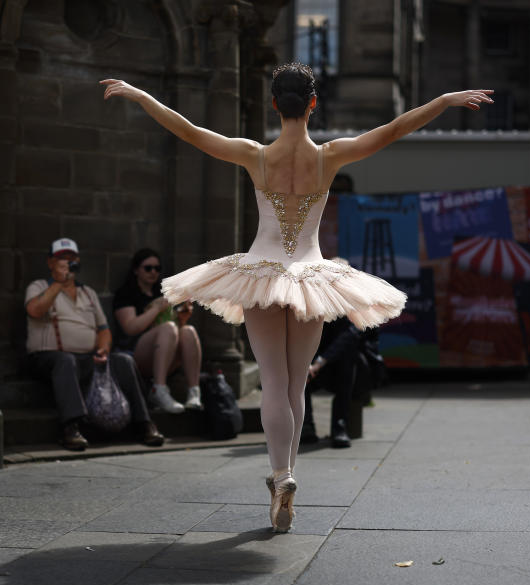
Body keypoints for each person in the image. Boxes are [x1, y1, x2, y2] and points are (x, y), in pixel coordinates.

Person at [100, 64, 492, 532]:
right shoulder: (330, 157)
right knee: (295, 384)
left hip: (260, 275)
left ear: (273, 105)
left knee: (271, 380)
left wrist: (142, 95)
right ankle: (288, 475)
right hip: (311, 276)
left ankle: (281, 475)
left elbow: (188, 130)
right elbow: (394, 128)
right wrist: (445, 99)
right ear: (312, 105)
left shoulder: (255, 155)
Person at [25, 238, 165, 451]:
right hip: (49, 357)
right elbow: (35, 310)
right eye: (62, 258)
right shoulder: (39, 286)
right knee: (65, 361)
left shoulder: (87, 293)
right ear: (50, 263)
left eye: (71, 259)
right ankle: (71, 428)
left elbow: (103, 329)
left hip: (87, 358)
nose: (67, 263)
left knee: (123, 361)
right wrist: (58, 283)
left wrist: (103, 348)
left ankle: (145, 423)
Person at [112, 248, 203, 414]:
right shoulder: (126, 293)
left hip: (165, 353)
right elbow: (131, 328)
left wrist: (182, 318)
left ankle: (194, 392)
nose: (153, 272)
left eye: (157, 268)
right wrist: (157, 308)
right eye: (148, 268)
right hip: (136, 354)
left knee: (188, 330)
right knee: (168, 328)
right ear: (136, 270)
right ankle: (158, 390)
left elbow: (175, 329)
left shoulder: (160, 291)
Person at [301, 316, 381, 449]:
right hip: (321, 365)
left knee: (347, 358)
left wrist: (319, 362)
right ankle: (306, 425)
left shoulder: (360, 307)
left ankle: (339, 426)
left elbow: (350, 336)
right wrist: (309, 362)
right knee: (300, 369)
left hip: (356, 372)